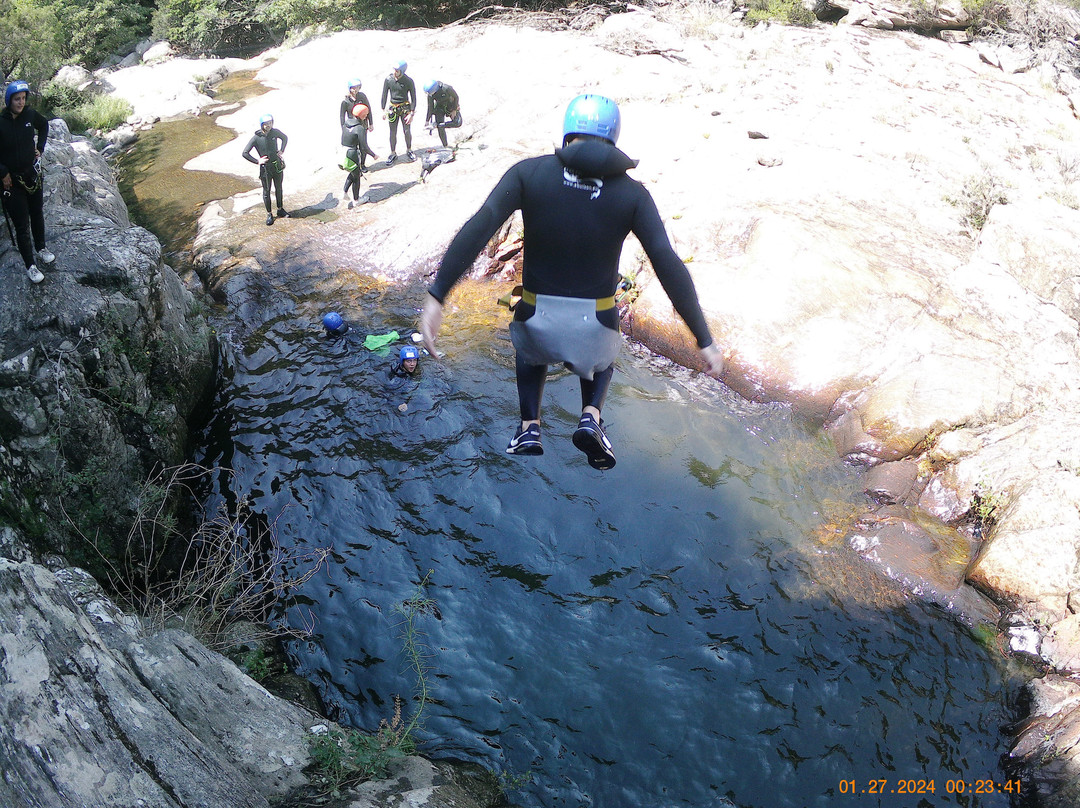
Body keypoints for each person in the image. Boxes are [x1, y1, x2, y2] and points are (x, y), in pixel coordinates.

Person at [421, 94, 724, 471]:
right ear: (614, 138)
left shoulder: (527, 174)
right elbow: (667, 263)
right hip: (594, 328)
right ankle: (591, 416)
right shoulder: (634, 195)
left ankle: (529, 428)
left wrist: (438, 296)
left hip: (535, 320)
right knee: (601, 348)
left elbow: (482, 223)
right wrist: (703, 339)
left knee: (530, 346)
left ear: (567, 133)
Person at [0, 80, 53, 284]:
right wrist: (3, 172)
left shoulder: (30, 115)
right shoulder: (1, 123)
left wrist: (40, 147)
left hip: (31, 175)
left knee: (37, 213)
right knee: (22, 224)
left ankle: (41, 248)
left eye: (23, 98)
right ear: (9, 100)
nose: (21, 103)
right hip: (11, 182)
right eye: (16, 99)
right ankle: (30, 265)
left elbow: (44, 125)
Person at [242, 114, 289, 226]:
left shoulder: (275, 132)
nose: (269, 125)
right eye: (266, 124)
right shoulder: (256, 138)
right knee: (266, 192)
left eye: (270, 123)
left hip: (277, 165)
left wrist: (281, 150)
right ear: (262, 125)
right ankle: (269, 214)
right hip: (265, 169)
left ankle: (280, 209)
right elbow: (245, 153)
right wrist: (258, 161)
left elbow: (285, 138)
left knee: (279, 188)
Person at [339, 78, 377, 206]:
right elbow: (364, 147)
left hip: (345, 151)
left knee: (353, 171)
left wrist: (370, 123)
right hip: (353, 152)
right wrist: (374, 155)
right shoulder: (359, 128)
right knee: (357, 176)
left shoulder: (347, 125)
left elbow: (368, 110)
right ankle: (356, 200)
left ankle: (344, 192)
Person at [381, 60, 416, 165]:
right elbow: (384, 95)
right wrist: (383, 110)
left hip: (405, 107)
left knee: (406, 131)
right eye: (394, 70)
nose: (395, 72)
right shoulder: (388, 80)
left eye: (397, 70)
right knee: (392, 132)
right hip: (393, 108)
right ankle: (393, 153)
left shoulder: (409, 81)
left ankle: (409, 150)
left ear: (402, 71)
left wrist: (411, 113)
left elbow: (414, 98)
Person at [423, 79, 462, 148]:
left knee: (458, 123)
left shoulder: (446, 88)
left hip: (450, 106)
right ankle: (445, 145)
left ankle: (440, 125)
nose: (429, 95)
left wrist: (454, 109)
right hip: (439, 108)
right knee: (440, 128)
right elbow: (430, 107)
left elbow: (456, 97)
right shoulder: (430, 95)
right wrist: (427, 120)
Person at [387, 344, 421, 412]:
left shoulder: (417, 368)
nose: (412, 364)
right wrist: (403, 402)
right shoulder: (397, 377)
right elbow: (391, 393)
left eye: (414, 360)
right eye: (409, 361)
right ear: (403, 362)